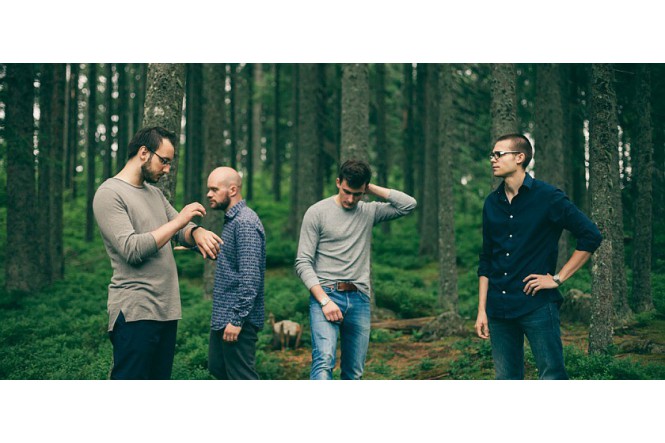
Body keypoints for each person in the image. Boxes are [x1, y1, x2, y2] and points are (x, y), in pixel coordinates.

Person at [93, 126, 223, 380]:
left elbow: (180, 229)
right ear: (144, 152)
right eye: (164, 161)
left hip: (166, 310)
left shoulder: (155, 193)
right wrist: (181, 221)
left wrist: (196, 232)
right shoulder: (109, 194)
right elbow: (131, 249)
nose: (167, 169)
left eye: (169, 163)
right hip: (135, 312)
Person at [475, 133, 602, 380]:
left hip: (537, 305)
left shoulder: (548, 197)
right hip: (499, 309)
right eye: (492, 155)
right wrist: (482, 310)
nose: (493, 159)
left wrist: (557, 278)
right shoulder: (491, 203)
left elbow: (590, 235)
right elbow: (486, 259)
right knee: (506, 380)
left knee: (552, 376)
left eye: (499, 154)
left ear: (520, 157)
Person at [295, 159, 417, 380]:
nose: (351, 199)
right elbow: (303, 262)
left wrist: (370, 188)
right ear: (338, 182)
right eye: (346, 192)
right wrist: (324, 301)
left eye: (357, 194)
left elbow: (408, 204)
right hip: (326, 294)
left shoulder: (369, 211)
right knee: (324, 361)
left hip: (359, 298)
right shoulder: (317, 212)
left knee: (354, 372)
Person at [206, 167, 265, 380]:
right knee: (218, 370)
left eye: (214, 190)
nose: (209, 194)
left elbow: (250, 278)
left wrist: (237, 320)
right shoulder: (233, 220)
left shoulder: (245, 222)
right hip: (223, 317)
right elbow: (231, 259)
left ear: (232, 190)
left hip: (238, 320)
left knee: (242, 378)